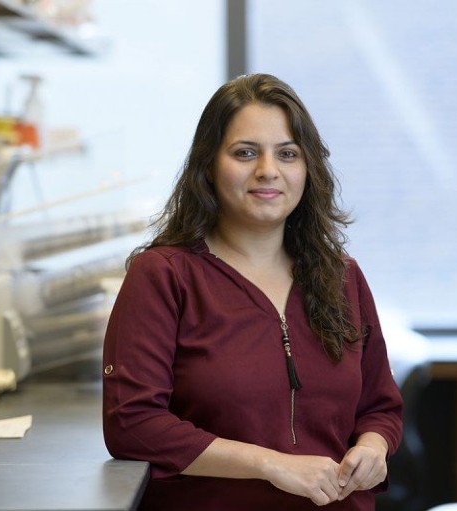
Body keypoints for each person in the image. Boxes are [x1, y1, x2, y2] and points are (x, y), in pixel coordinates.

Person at [102, 73, 403, 510]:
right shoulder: (164, 276)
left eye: (287, 153)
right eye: (245, 153)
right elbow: (132, 424)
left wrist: (374, 449)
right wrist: (270, 464)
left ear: (308, 168)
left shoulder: (343, 278)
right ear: (208, 165)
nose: (268, 170)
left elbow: (380, 406)